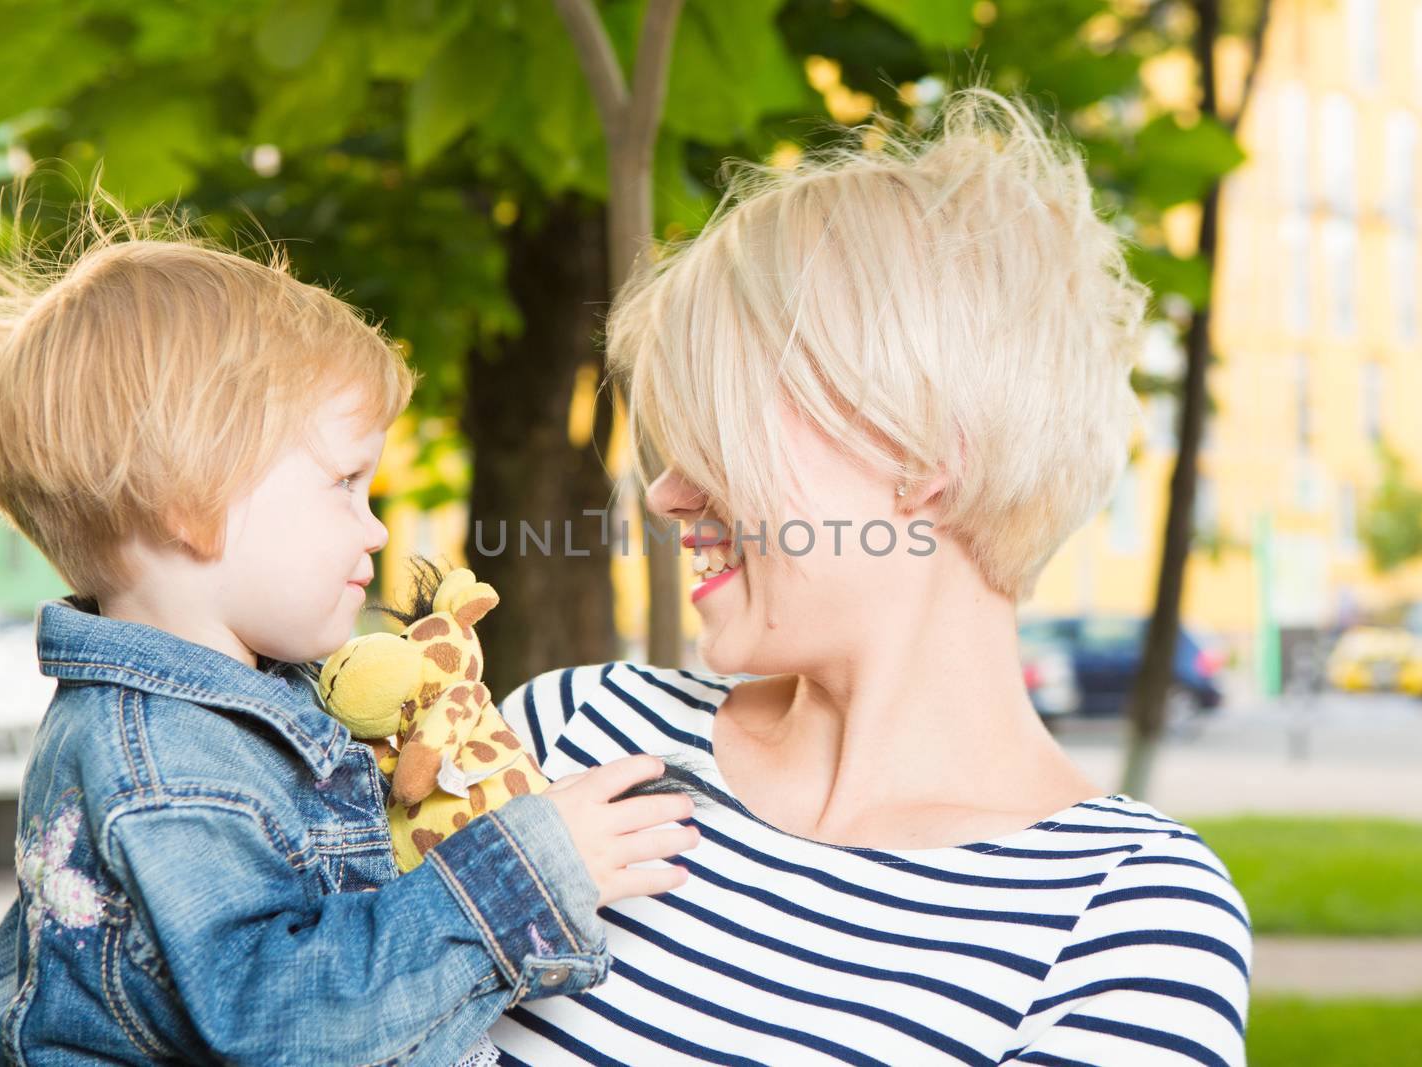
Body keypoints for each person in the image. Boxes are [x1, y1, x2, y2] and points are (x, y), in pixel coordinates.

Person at [486, 89, 1253, 1066]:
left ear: (919, 450)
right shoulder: (573, 732)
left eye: (718, 432)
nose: (667, 493)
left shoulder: (1123, 911)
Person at [0, 206, 698, 1066]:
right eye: (346, 483)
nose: (375, 530)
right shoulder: (163, 761)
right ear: (193, 500)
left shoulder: (227, 713)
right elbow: (280, 1021)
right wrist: (523, 877)